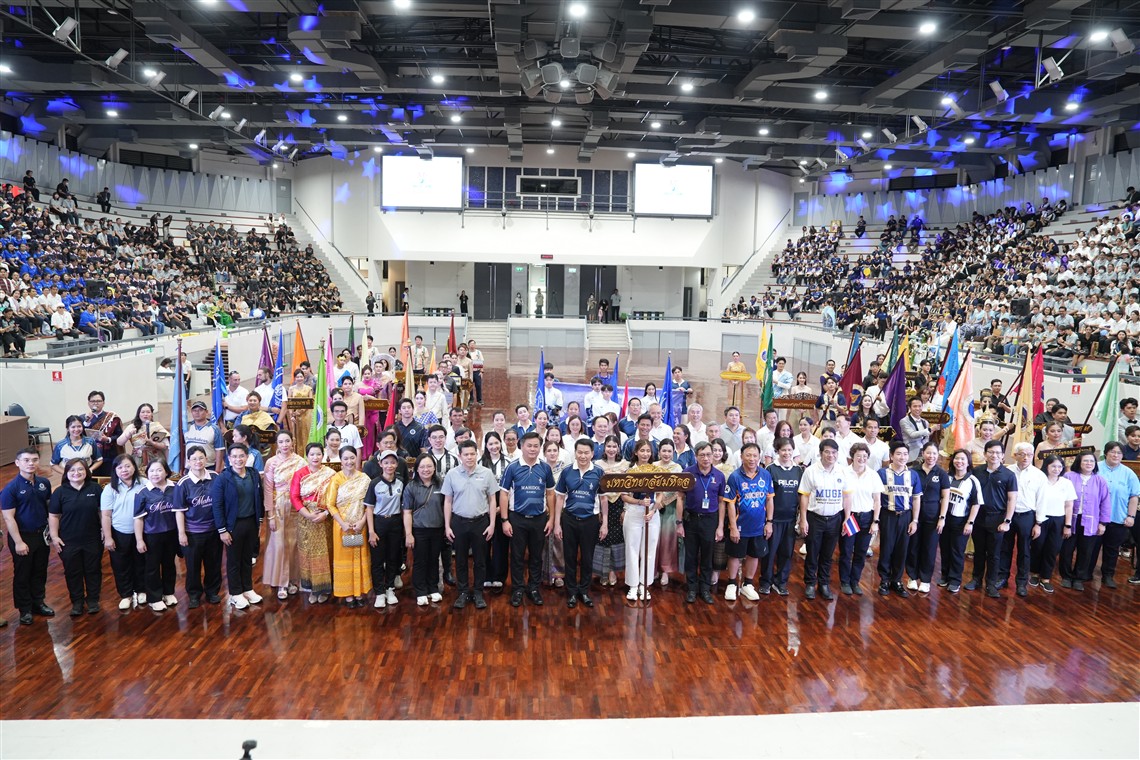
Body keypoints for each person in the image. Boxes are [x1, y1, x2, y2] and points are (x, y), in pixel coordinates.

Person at [499, 432, 556, 607]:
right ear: (521, 446)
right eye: (529, 445)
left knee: (536, 556)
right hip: (517, 519)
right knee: (517, 556)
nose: (532, 449)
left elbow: (550, 494)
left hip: (539, 519)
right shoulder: (512, 467)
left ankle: (533, 588)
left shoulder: (545, 468)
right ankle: (517, 589)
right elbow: (503, 494)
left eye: (536, 446)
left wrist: (551, 519)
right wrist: (505, 520)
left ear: (540, 448)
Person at [442, 440, 498, 610]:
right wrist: (447, 526)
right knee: (460, 560)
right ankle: (463, 592)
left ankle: (478, 592)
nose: (469, 457)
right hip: (459, 522)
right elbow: (447, 501)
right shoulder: (452, 474)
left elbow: (492, 500)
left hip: (481, 522)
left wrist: (492, 524)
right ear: (460, 456)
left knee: (480, 560)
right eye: (466, 454)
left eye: (472, 454)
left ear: (477, 454)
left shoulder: (487, 473)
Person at [2, 448, 54, 626]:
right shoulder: (11, 489)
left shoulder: (44, 483)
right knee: (23, 574)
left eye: (34, 459)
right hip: (22, 537)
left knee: (40, 571)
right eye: (26, 460)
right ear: (17, 463)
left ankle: (38, 602)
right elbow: (8, 518)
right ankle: (25, 610)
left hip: (42, 535)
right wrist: (18, 542)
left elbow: (49, 508)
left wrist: (52, 531)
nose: (31, 463)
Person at [211, 443, 266, 610]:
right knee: (234, 560)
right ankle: (235, 593)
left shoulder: (253, 474)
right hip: (233, 525)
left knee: (247, 558)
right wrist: (222, 530)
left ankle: (247, 589)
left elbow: (259, 497)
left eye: (241, 456)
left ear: (247, 457)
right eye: (234, 456)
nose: (238, 459)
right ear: (229, 459)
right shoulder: (223, 478)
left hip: (251, 522)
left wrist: (259, 521)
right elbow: (217, 505)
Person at [48, 459, 104, 617]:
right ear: (66, 473)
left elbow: (102, 511)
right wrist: (54, 536)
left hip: (92, 538)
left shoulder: (95, 488)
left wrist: (104, 529)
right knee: (73, 572)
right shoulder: (60, 492)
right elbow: (54, 516)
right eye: (72, 470)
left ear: (86, 471)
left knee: (93, 570)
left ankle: (93, 600)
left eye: (80, 469)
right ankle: (77, 602)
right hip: (68, 540)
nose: (76, 473)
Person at [723, 442, 774, 602]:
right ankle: (732, 583)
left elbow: (769, 500)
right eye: (748, 455)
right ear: (741, 456)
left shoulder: (765, 475)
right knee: (734, 555)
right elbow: (730, 504)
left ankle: (748, 584)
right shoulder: (735, 477)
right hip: (740, 526)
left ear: (759, 457)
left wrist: (769, 522)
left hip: (759, 526)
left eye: (755, 455)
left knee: (754, 554)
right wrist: (733, 527)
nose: (752, 459)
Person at [797, 439, 847, 601]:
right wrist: (803, 519)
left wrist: (846, 518)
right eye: (827, 452)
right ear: (820, 453)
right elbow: (804, 496)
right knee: (812, 552)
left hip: (835, 519)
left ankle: (824, 583)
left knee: (828, 554)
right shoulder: (811, 471)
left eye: (834, 452)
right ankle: (810, 583)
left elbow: (847, 497)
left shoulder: (842, 471)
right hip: (815, 518)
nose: (831, 455)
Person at [678, 442, 727, 604]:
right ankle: (692, 588)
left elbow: (721, 502)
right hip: (691, 519)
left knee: (707, 555)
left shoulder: (719, 476)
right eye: (702, 455)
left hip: (710, 520)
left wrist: (720, 526)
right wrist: (679, 523)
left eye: (708, 455)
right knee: (690, 556)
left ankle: (705, 588)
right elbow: (680, 498)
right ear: (696, 456)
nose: (706, 458)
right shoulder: (687, 473)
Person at [968, 440, 1018, 598]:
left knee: (994, 554)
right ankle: (976, 579)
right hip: (979, 517)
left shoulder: (1009, 475)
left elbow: (1012, 499)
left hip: (997, 519)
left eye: (997, 453)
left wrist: (1007, 521)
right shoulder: (977, 472)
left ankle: (991, 584)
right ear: (985, 454)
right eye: (990, 452)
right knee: (979, 551)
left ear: (1002, 456)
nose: (994, 455)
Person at [173, 446, 221, 608]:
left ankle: (212, 592)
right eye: (194, 459)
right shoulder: (183, 483)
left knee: (213, 563)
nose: (198, 462)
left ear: (206, 459)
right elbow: (179, 511)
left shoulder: (215, 477)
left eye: (201, 458)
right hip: (192, 533)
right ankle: (194, 595)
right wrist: (181, 533)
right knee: (193, 566)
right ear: (188, 462)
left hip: (213, 530)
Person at [324, 446, 372, 608]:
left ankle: (359, 592)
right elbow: (330, 505)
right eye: (346, 458)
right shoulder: (336, 479)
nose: (349, 461)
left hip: (359, 527)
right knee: (345, 558)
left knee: (358, 557)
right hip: (342, 528)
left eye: (352, 458)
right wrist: (342, 523)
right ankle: (348, 594)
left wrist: (363, 522)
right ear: (341, 460)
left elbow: (370, 504)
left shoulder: (364, 479)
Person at [261, 432, 306, 600]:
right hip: (278, 507)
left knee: (294, 544)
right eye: (281, 442)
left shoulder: (300, 462)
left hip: (296, 506)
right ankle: (281, 582)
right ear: (277, 444)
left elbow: (305, 485)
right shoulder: (271, 462)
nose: (285, 444)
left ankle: (293, 580)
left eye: (287, 441)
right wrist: (270, 515)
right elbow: (268, 490)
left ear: (292, 442)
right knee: (279, 545)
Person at [290, 442, 336, 604]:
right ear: (307, 456)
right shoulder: (299, 474)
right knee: (307, 552)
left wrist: (325, 513)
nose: (315, 457)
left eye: (318, 454)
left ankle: (324, 588)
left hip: (325, 519)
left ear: (323, 455)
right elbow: (294, 497)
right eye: (312, 454)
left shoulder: (330, 474)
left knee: (325, 552)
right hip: (305, 518)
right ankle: (311, 588)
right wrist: (308, 515)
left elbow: (334, 497)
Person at [1059, 451, 1112, 591]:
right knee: (1067, 549)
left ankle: (1079, 578)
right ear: (1079, 462)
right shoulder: (1068, 477)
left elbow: (1105, 503)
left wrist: (1103, 523)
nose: (1089, 463)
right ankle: (1066, 576)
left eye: (1091, 461)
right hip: (1070, 519)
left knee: (1086, 551)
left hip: (1091, 521)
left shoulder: (1100, 481)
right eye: (1085, 461)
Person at [100, 454, 146, 610]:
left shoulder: (144, 484)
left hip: (143, 532)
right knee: (121, 565)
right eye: (119, 467)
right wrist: (108, 537)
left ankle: (141, 590)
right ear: (115, 470)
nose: (124, 470)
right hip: (119, 532)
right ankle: (126, 595)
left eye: (127, 466)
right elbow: (106, 515)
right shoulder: (110, 488)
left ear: (134, 467)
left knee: (141, 562)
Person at [999, 442, 1046, 597]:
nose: (1026, 457)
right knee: (1005, 548)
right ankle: (1002, 578)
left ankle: (1021, 583)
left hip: (1027, 516)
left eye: (1029, 454)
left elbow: (1042, 500)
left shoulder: (1039, 475)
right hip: (1008, 516)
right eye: (1022, 454)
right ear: (1015, 455)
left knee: (1024, 550)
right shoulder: (1007, 471)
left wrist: (1038, 523)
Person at [876, 441, 921, 598]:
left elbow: (916, 498)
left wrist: (915, 520)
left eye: (905, 454)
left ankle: (897, 580)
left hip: (906, 516)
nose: (902, 457)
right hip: (887, 515)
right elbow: (876, 498)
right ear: (891, 456)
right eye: (899, 454)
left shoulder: (913, 475)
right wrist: (876, 520)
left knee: (902, 549)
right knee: (886, 548)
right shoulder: (882, 473)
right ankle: (884, 580)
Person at [133, 458, 180, 612]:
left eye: (159, 470)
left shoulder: (175, 488)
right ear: (147, 473)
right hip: (151, 535)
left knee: (169, 564)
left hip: (171, 533)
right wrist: (139, 540)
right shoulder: (142, 492)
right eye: (151, 471)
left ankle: (168, 592)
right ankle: (154, 598)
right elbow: (138, 519)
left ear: (166, 472)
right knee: (152, 567)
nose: (155, 474)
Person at [838, 441, 883, 596]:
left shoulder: (873, 475)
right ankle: (844, 581)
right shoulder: (844, 472)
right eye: (859, 456)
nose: (862, 459)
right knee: (846, 551)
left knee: (861, 552)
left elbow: (877, 500)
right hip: (849, 517)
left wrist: (875, 521)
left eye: (865, 456)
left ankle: (855, 581)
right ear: (852, 456)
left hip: (866, 517)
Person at [905, 441, 950, 593]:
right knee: (913, 546)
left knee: (929, 549)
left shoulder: (942, 473)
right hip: (914, 515)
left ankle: (925, 580)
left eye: (934, 453)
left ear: (938, 455)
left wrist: (942, 518)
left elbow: (945, 497)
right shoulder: (913, 471)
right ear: (923, 453)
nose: (931, 456)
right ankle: (912, 577)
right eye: (928, 453)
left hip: (933, 516)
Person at [1095, 441, 1140, 589]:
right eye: (1112, 452)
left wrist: (1131, 516)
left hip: (1117, 517)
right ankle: (1085, 573)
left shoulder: (1129, 473)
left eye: (1119, 453)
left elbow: (1134, 496)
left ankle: (1108, 575)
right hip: (1095, 517)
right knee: (1091, 547)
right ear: (1106, 453)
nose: (1116, 455)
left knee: (1112, 549)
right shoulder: (1096, 468)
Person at [1029, 455, 1076, 594]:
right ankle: (1035, 574)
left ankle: (1046, 578)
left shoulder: (1066, 483)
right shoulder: (1040, 480)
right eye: (1053, 466)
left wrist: (1068, 525)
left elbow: (1069, 505)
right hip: (1040, 519)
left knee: (1053, 549)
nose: (1057, 469)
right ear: (1047, 466)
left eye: (1060, 466)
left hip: (1058, 520)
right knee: (1037, 546)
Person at [365, 449, 406, 609]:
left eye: (393, 462)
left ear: (397, 464)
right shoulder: (374, 483)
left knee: (392, 557)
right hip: (379, 522)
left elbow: (404, 506)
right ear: (380, 464)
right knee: (377, 560)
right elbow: (369, 508)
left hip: (395, 522)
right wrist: (371, 531)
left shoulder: (401, 482)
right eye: (386, 462)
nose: (390, 465)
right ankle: (379, 592)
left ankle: (390, 588)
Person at [620, 440, 660, 602]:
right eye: (642, 450)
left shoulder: (657, 471)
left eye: (648, 451)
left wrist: (654, 509)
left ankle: (645, 584)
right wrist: (639, 502)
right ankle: (633, 585)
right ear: (636, 452)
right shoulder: (629, 472)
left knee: (649, 550)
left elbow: (661, 494)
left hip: (652, 514)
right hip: (634, 512)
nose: (645, 454)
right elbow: (624, 496)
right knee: (632, 549)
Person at [941, 450, 982, 593]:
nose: (959, 462)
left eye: (963, 459)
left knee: (957, 551)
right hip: (945, 519)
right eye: (957, 458)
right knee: (945, 549)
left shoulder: (973, 480)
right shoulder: (946, 477)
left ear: (968, 462)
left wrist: (970, 522)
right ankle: (945, 576)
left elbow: (976, 503)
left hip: (961, 521)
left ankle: (955, 580)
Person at [592, 435, 628, 588]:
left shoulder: (626, 465)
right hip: (602, 504)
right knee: (602, 538)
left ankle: (613, 571)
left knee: (616, 538)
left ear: (618, 448)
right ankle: (603, 572)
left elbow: (629, 489)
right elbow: (595, 489)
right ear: (604, 448)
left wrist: (625, 509)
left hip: (619, 504)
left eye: (614, 446)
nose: (611, 449)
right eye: (609, 446)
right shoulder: (597, 465)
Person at [116, 403, 169, 469]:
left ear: (152, 414)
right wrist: (129, 434)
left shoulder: (157, 426)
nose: (145, 414)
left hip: (155, 458)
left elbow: (165, 446)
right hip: (137, 458)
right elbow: (119, 442)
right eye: (143, 412)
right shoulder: (132, 426)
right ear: (139, 414)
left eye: (148, 412)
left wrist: (152, 443)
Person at [83, 390, 122, 477]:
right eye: (93, 401)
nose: (95, 403)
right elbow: (79, 435)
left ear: (103, 403)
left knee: (108, 479)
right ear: (88, 403)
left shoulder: (112, 417)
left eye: (98, 401)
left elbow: (119, 435)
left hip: (108, 454)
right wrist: (87, 422)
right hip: (90, 454)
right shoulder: (83, 418)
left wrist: (108, 439)